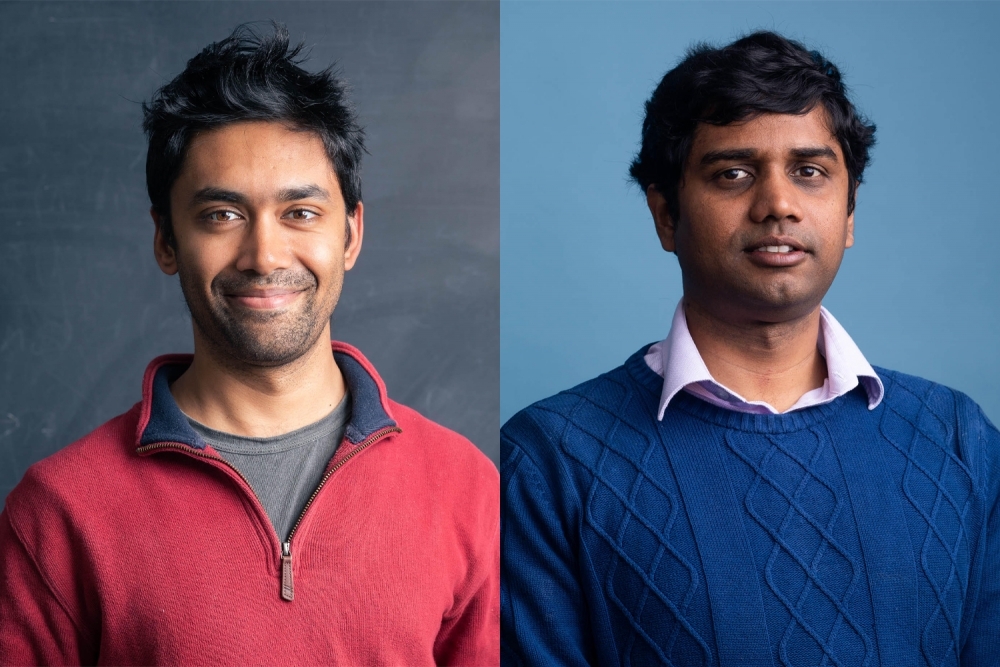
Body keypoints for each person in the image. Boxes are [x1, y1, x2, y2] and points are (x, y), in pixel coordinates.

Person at [0, 23, 498, 666]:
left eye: (301, 213)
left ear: (350, 235)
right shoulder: (59, 510)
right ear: (166, 241)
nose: (264, 256)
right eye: (222, 215)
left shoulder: (464, 486)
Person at [500, 31, 999, 666]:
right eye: (732, 173)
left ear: (849, 215)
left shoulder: (960, 441)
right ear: (665, 216)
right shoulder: (548, 462)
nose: (778, 205)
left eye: (810, 172)